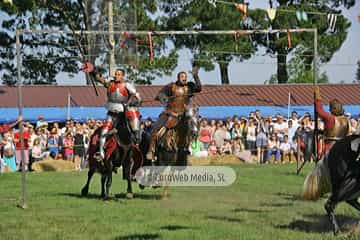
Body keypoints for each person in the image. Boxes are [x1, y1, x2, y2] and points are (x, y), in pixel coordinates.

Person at [146, 66, 202, 161]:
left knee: (193, 126)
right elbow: (160, 94)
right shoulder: (171, 86)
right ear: (178, 78)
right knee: (155, 128)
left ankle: (186, 147)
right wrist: (164, 98)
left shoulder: (189, 86)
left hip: (184, 115)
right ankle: (151, 150)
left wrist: (196, 76)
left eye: (185, 77)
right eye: (182, 77)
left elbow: (199, 88)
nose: (184, 78)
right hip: (170, 113)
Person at [92, 68, 141, 160]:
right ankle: (101, 153)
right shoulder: (110, 83)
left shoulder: (127, 85)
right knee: (104, 132)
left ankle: (137, 142)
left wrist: (133, 102)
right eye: (115, 74)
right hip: (111, 113)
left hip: (124, 112)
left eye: (118, 74)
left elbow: (137, 96)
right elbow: (99, 79)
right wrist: (93, 71)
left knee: (134, 124)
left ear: (123, 76)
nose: (116, 76)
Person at [314, 86, 350, 155]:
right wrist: (322, 132)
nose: (329, 110)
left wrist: (317, 95)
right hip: (343, 148)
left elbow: (319, 111)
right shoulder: (346, 120)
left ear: (332, 109)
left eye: (330, 108)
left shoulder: (330, 118)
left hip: (330, 148)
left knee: (321, 165)